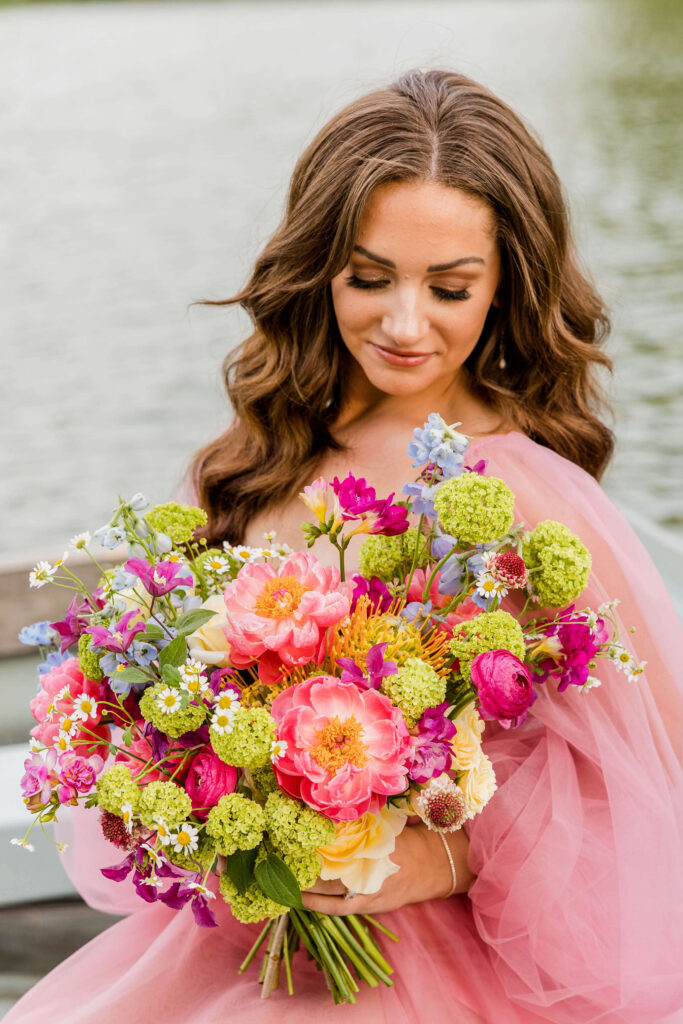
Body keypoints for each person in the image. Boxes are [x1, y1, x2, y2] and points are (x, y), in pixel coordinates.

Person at [6, 68, 683, 1024]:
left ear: (505, 290)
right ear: (317, 266)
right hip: (238, 935)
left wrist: (437, 856)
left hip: (428, 952)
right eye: (368, 278)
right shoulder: (247, 467)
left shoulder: (518, 495)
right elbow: (166, 702)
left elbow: (653, 776)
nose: (403, 324)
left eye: (449, 288)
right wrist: (177, 785)